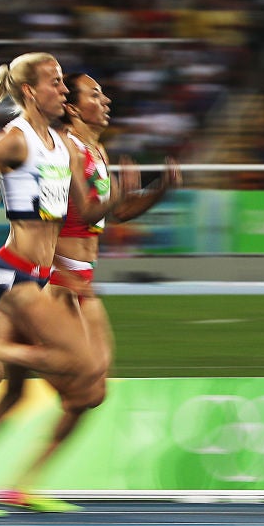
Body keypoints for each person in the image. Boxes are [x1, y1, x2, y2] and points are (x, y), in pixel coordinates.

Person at [0, 53, 138, 518]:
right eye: (55, 83)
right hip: (14, 273)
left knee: (16, 393)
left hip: (40, 277)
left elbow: (88, 211)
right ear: (29, 91)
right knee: (78, 362)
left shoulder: (60, 145)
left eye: (62, 83)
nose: (62, 90)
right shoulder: (13, 139)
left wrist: (121, 194)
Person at [49, 72, 181, 396]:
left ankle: (2, 347)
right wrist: (118, 195)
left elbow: (118, 213)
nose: (106, 100)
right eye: (95, 95)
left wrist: (160, 190)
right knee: (84, 379)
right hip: (59, 277)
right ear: (73, 108)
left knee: (97, 387)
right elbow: (69, 214)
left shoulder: (98, 151)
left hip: (84, 274)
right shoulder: (64, 149)